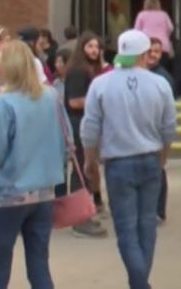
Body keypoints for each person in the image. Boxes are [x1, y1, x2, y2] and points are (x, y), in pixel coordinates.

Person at [81, 29, 177, 289]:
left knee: (125, 229)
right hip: (150, 158)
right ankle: (141, 281)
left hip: (118, 162)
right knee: (147, 225)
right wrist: (163, 158)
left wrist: (90, 161)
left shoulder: (101, 84)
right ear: (146, 53)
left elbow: (89, 129)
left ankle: (138, 283)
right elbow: (169, 128)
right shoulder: (160, 84)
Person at [0, 40, 69, 289]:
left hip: (9, 194)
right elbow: (66, 141)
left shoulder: (3, 105)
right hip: (44, 192)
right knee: (39, 266)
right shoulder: (51, 97)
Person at [63, 31, 111, 238]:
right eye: (90, 46)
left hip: (88, 123)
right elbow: (74, 101)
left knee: (87, 169)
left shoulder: (92, 70)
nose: (94, 50)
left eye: (97, 47)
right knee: (81, 170)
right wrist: (99, 101)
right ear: (82, 48)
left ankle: (87, 211)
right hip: (78, 123)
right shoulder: (77, 71)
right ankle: (79, 218)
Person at [144, 40, 173, 223]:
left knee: (158, 170)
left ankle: (158, 210)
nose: (154, 54)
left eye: (157, 51)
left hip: (156, 129)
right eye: (150, 51)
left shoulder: (164, 78)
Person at [133, 0, 175, 68]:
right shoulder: (164, 15)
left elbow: (136, 31)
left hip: (146, 47)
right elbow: (171, 28)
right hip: (163, 47)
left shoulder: (141, 15)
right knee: (162, 69)